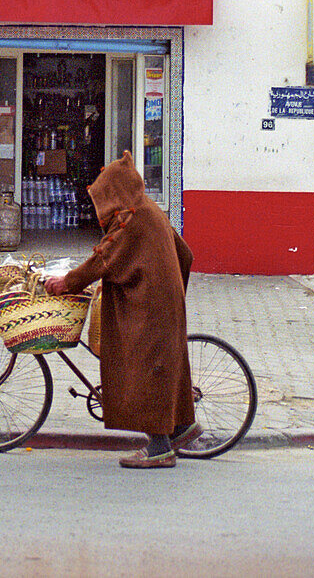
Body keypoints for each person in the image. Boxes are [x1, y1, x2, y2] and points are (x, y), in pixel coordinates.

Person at [45, 149, 199, 469]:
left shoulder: (131, 218)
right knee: (165, 368)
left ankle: (159, 449)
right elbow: (186, 254)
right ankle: (183, 427)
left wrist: (68, 282)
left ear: (113, 194)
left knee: (144, 371)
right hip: (166, 303)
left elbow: (104, 256)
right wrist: (173, 290)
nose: (102, 211)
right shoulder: (149, 208)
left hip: (150, 307)